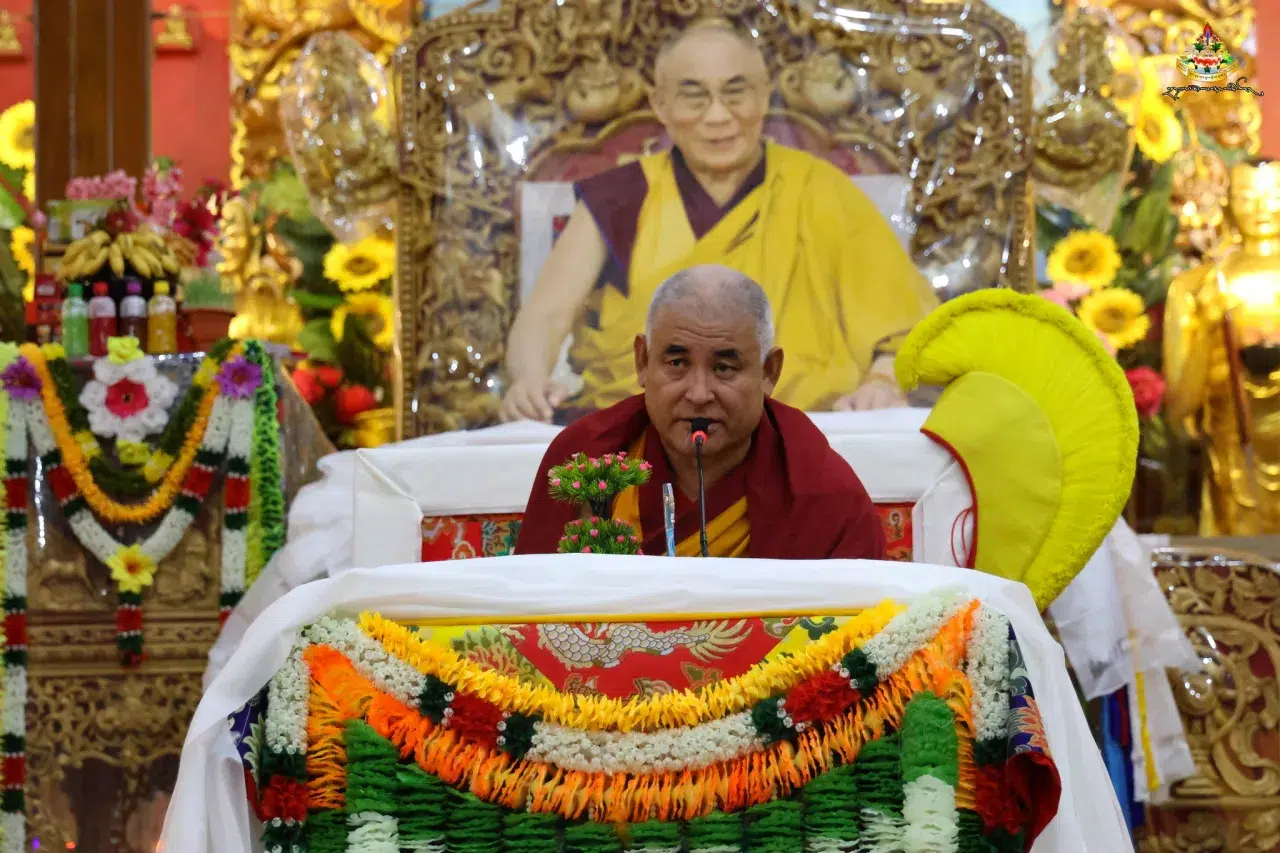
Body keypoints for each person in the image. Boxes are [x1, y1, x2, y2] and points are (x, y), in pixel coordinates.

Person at [502, 18, 938, 423]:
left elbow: (904, 326)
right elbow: (545, 316)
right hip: (645, 437)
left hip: (798, 434)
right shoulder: (620, 196)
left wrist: (882, 383)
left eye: (735, 93)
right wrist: (529, 381)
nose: (717, 116)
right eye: (694, 96)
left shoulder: (821, 190)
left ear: (765, 95)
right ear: (660, 104)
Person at [515, 265, 887, 559]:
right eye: (677, 363)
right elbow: (532, 609)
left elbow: (859, 626)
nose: (698, 393)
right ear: (643, 362)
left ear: (769, 372)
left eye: (724, 368)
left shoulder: (820, 491)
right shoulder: (586, 457)